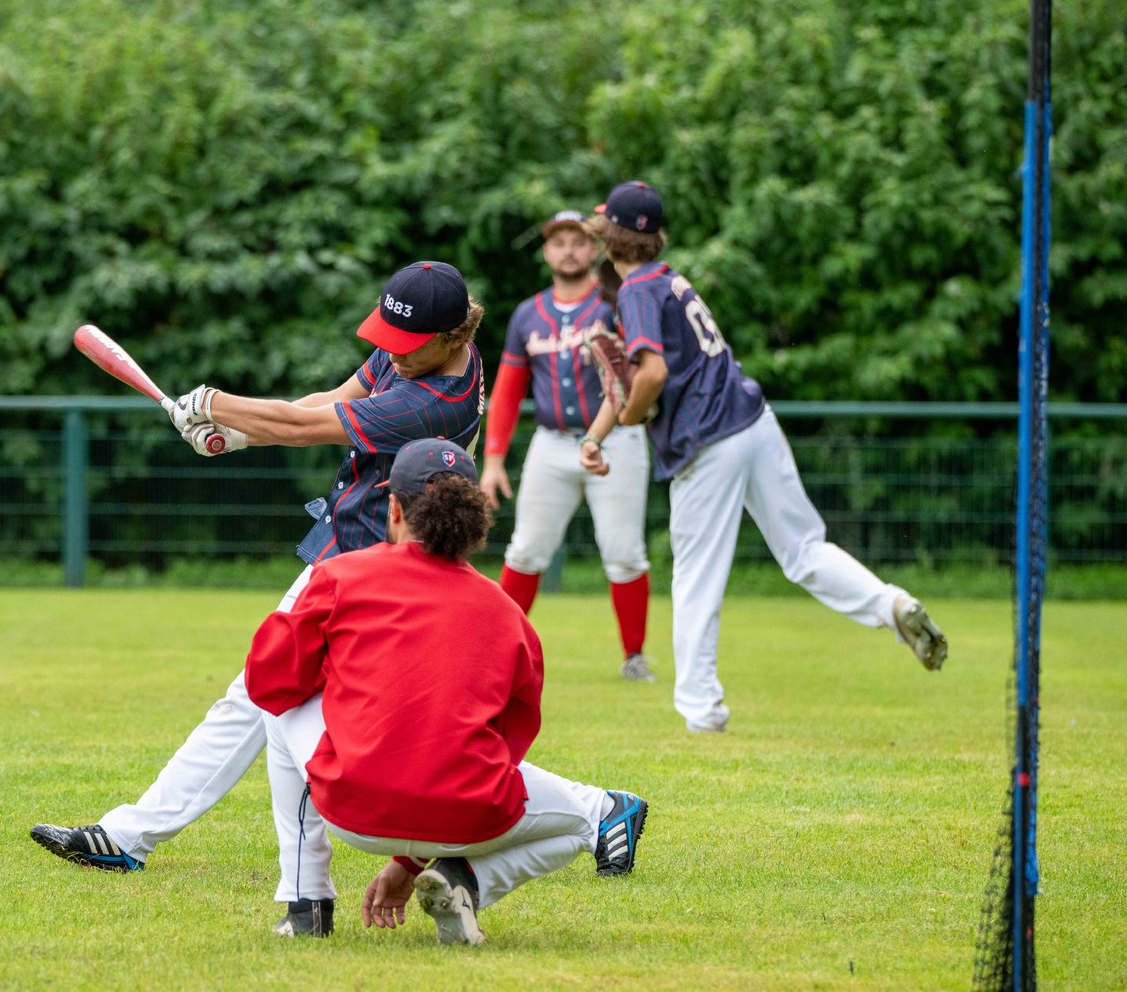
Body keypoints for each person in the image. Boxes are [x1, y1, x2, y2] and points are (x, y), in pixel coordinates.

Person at [31, 261, 487, 875]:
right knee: (257, 697)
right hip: (354, 555)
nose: (390, 354)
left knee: (320, 709)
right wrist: (238, 435)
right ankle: (131, 834)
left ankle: (573, 820)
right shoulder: (421, 353)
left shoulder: (431, 401)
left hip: (376, 571)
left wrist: (214, 402)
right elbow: (326, 403)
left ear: (453, 337)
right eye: (387, 338)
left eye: (405, 345)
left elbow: (303, 428)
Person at [577, 181, 949, 734]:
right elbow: (634, 376)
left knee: (696, 579)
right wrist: (596, 435)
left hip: (707, 441)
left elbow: (648, 375)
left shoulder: (634, 293)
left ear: (611, 236)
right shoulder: (669, 279)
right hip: (753, 420)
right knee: (803, 549)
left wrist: (628, 419)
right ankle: (890, 604)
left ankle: (702, 713)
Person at [247, 439, 649, 943]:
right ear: (471, 515)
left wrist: (336, 681)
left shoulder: (341, 576)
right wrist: (414, 856)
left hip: (354, 811)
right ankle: (468, 879)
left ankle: (307, 905)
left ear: (393, 508)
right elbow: (508, 742)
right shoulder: (509, 613)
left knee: (280, 705)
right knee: (582, 825)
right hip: (472, 817)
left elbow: (266, 680)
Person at [481, 209, 654, 681]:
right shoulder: (527, 314)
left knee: (623, 552)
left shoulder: (615, 302)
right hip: (552, 443)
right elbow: (508, 391)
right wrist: (493, 459)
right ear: (545, 251)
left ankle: (634, 657)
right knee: (526, 550)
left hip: (617, 439)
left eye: (578, 240)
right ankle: (501, 649)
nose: (569, 249)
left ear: (594, 247)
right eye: (558, 241)